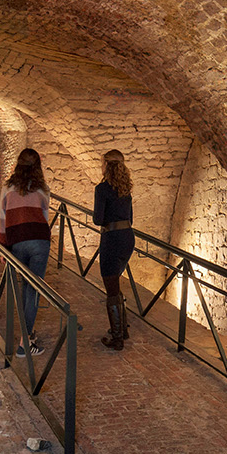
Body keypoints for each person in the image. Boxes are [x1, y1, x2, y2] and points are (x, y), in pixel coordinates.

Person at [0, 148, 50, 355]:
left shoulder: (8, 188)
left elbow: (2, 219)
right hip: (38, 241)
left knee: (23, 286)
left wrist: (3, 246)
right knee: (33, 289)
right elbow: (44, 217)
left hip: (17, 241)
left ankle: (26, 335)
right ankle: (25, 341)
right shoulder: (42, 189)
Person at [94, 149, 134, 350]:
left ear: (106, 166)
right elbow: (131, 218)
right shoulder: (126, 189)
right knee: (115, 282)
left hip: (111, 239)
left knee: (111, 287)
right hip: (127, 238)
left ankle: (117, 337)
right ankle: (123, 329)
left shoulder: (102, 189)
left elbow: (98, 219)